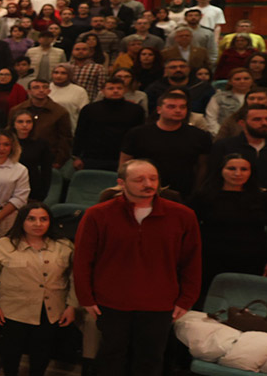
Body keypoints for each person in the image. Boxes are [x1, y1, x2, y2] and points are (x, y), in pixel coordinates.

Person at [73, 159, 201, 376]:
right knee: (111, 358)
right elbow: (83, 259)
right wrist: (86, 298)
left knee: (150, 360)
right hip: (110, 301)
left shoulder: (182, 216)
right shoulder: (98, 214)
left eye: (153, 178)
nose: (148, 184)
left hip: (159, 303)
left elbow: (192, 261)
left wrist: (187, 299)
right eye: (139, 179)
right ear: (122, 183)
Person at [0, 202, 78, 376]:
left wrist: (71, 306)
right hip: (13, 310)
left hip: (50, 310)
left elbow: (74, 279)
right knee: (11, 352)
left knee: (42, 352)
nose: (38, 224)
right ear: (22, 221)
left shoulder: (64, 246)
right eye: (31, 219)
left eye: (44, 219)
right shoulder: (3, 246)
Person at [191, 153, 267, 301]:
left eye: (244, 169)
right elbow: (189, 228)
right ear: (221, 170)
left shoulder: (266, 198)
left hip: (252, 260)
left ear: (251, 172)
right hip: (211, 259)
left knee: (245, 303)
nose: (237, 173)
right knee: (209, 302)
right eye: (231, 168)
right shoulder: (203, 196)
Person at [120, 91, 212, 197]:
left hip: (184, 192)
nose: (178, 110)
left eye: (182, 107)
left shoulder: (199, 135)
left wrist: (197, 190)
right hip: (143, 189)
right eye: (171, 107)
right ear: (159, 109)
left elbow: (203, 166)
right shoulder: (137, 133)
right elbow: (125, 162)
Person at [73, 77, 147, 172]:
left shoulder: (136, 110)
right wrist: (77, 157)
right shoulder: (89, 109)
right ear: (103, 91)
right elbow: (80, 133)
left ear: (124, 90)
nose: (115, 91)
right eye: (111, 88)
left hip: (123, 157)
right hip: (92, 157)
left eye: (119, 88)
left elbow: (139, 136)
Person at [9, 79, 73, 168]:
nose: (41, 90)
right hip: (20, 156)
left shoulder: (60, 112)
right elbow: (10, 133)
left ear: (49, 91)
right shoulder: (16, 110)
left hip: (48, 157)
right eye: (36, 87)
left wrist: (59, 160)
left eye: (45, 87)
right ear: (29, 91)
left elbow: (65, 138)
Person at [11, 110, 54, 202]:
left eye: (28, 122)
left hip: (32, 184)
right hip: (9, 183)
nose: (24, 125)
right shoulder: (7, 143)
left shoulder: (41, 143)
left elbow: (46, 170)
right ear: (13, 124)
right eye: (20, 121)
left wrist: (43, 192)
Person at [205, 68, 253, 135]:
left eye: (246, 78)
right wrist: (221, 135)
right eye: (237, 79)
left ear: (252, 80)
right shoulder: (219, 97)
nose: (242, 81)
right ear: (230, 82)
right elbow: (211, 120)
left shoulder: (260, 97)